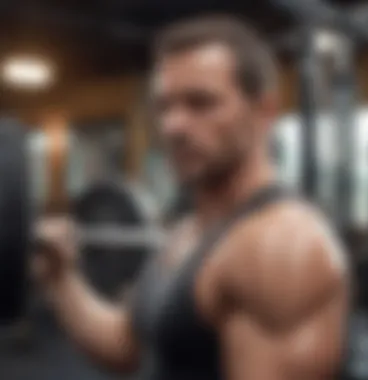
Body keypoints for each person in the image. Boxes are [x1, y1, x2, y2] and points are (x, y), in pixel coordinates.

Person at [34, 15, 350, 380]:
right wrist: (62, 279)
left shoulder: (278, 246)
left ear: (264, 112)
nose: (174, 126)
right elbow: (128, 344)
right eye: (165, 106)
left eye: (200, 103)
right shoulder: (188, 231)